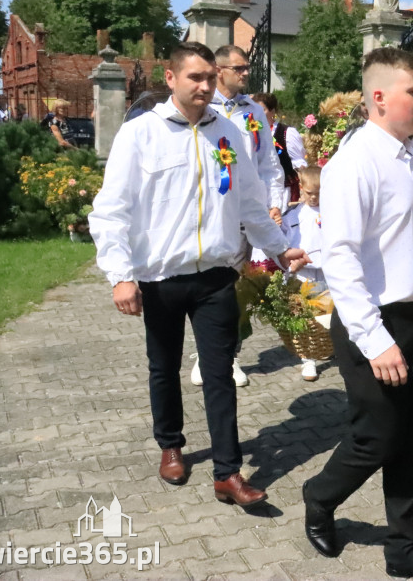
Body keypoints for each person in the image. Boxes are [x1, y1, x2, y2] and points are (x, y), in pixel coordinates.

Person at [89, 41, 309, 509]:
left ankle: (228, 472)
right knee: (164, 367)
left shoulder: (226, 131)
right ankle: (170, 444)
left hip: (215, 276)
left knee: (219, 374)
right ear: (170, 79)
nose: (206, 86)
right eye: (196, 78)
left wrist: (279, 248)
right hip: (161, 277)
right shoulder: (141, 135)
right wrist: (120, 275)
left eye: (210, 77)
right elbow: (111, 210)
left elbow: (250, 202)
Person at [302, 47, 413, 581]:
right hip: (371, 322)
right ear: (379, 98)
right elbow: (341, 259)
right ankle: (320, 495)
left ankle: (404, 549)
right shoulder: (356, 162)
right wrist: (375, 341)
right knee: (377, 436)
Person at [190, 45, 287, 388]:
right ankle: (204, 353)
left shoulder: (253, 111)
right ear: (219, 70)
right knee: (205, 287)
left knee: (235, 289)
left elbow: (268, 164)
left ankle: (229, 355)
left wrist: (274, 203)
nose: (246, 73)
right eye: (240, 68)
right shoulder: (201, 107)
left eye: (247, 68)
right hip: (209, 213)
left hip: (245, 215)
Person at [285, 166, 326, 382]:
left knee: (329, 315)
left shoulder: (332, 211)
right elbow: (285, 244)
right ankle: (308, 358)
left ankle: (331, 345)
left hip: (328, 272)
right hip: (304, 273)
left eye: (319, 194)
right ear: (301, 188)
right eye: (310, 193)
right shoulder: (293, 215)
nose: (314, 198)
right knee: (305, 316)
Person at [251, 91, 301, 204]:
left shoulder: (286, 133)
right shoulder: (250, 133)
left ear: (272, 111)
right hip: (257, 191)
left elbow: (299, 163)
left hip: (283, 191)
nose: (256, 114)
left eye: (262, 110)